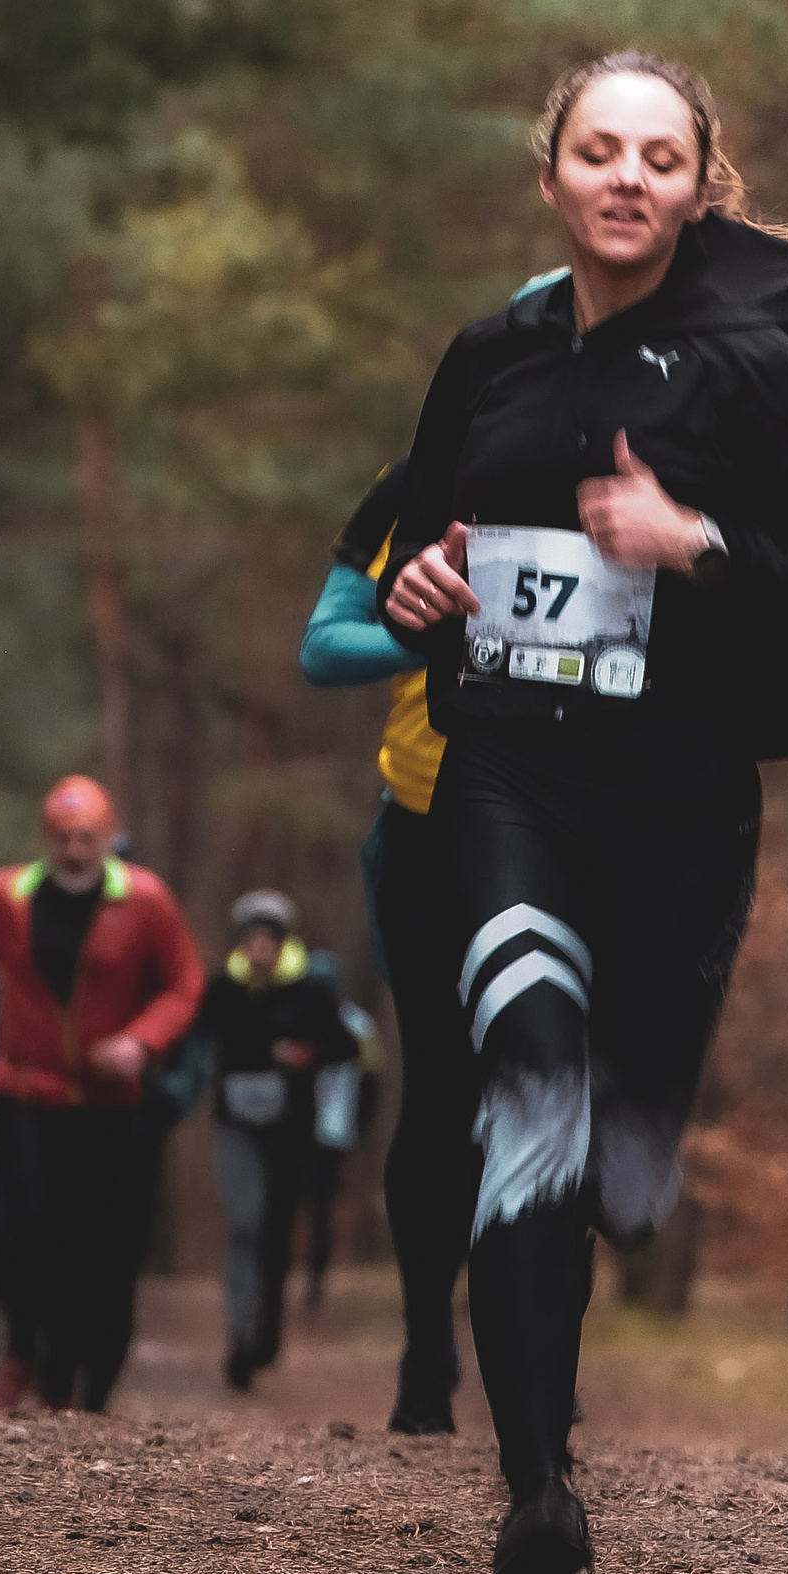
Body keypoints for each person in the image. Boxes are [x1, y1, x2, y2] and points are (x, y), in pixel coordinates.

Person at [382, 48, 788, 1574]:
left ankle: (640, 1135)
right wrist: (420, 595)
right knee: (528, 1073)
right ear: (551, 174)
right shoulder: (489, 357)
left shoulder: (751, 367)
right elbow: (415, 557)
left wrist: (699, 542)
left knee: (613, 1143)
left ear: (696, 184)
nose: (625, 178)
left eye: (658, 158)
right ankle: (539, 1485)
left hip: (678, 799)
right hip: (507, 781)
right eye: (597, 151)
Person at [0, 774, 205, 1412]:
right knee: (17, 1236)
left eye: (88, 838)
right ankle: (28, 1358)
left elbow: (184, 985)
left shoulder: (147, 900)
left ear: (109, 838)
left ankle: (83, 1385)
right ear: (44, 838)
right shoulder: (5, 895)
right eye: (63, 837)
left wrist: (142, 1041)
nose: (76, 850)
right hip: (26, 1095)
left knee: (97, 1251)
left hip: (113, 1109)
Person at [300, 458, 473, 1434]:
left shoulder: (648, 474)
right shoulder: (415, 484)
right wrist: (418, 630)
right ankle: (425, 1345)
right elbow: (324, 648)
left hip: (589, 822)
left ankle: (533, 1341)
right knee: (445, 1086)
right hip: (429, 815)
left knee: (553, 1084)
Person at [197, 890, 359, 1389]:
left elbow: (345, 1046)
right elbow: (195, 1039)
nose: (260, 948)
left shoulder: (311, 991)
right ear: (242, 943)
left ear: (282, 942)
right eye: (252, 939)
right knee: (244, 1224)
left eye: (270, 939)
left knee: (276, 1233)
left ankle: (267, 1325)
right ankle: (241, 1336)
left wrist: (306, 1052)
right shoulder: (223, 989)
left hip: (291, 1134)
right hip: (236, 1128)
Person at [297, 953, 381, 1316]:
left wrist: (359, 1130)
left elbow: (372, 1083)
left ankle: (314, 1283)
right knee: (311, 1207)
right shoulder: (298, 1019)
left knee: (320, 1208)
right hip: (307, 1130)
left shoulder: (359, 1027)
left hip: (332, 1131)